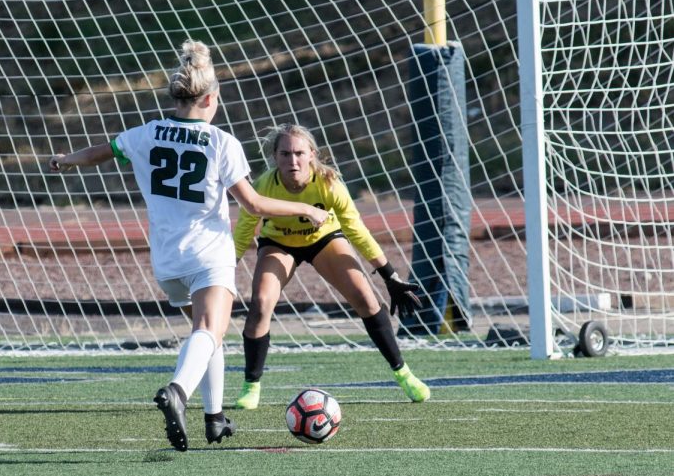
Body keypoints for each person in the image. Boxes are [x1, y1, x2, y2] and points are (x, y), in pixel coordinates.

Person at [49, 41, 328, 451]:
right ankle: (178, 391)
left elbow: (100, 153)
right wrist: (306, 210)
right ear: (211, 98)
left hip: (166, 260)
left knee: (208, 333)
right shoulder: (220, 142)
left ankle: (214, 418)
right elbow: (252, 203)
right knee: (208, 329)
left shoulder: (146, 133)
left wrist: (67, 159)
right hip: (208, 253)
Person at [232, 123, 430, 410]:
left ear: (312, 154)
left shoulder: (329, 184)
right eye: (285, 153)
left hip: (324, 238)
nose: (293, 160)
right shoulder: (263, 186)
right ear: (274, 156)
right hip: (279, 244)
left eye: (299, 153)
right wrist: (226, 269)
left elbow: (356, 230)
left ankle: (404, 374)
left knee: (365, 297)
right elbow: (243, 231)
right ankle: (251, 386)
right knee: (261, 303)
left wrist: (390, 275)